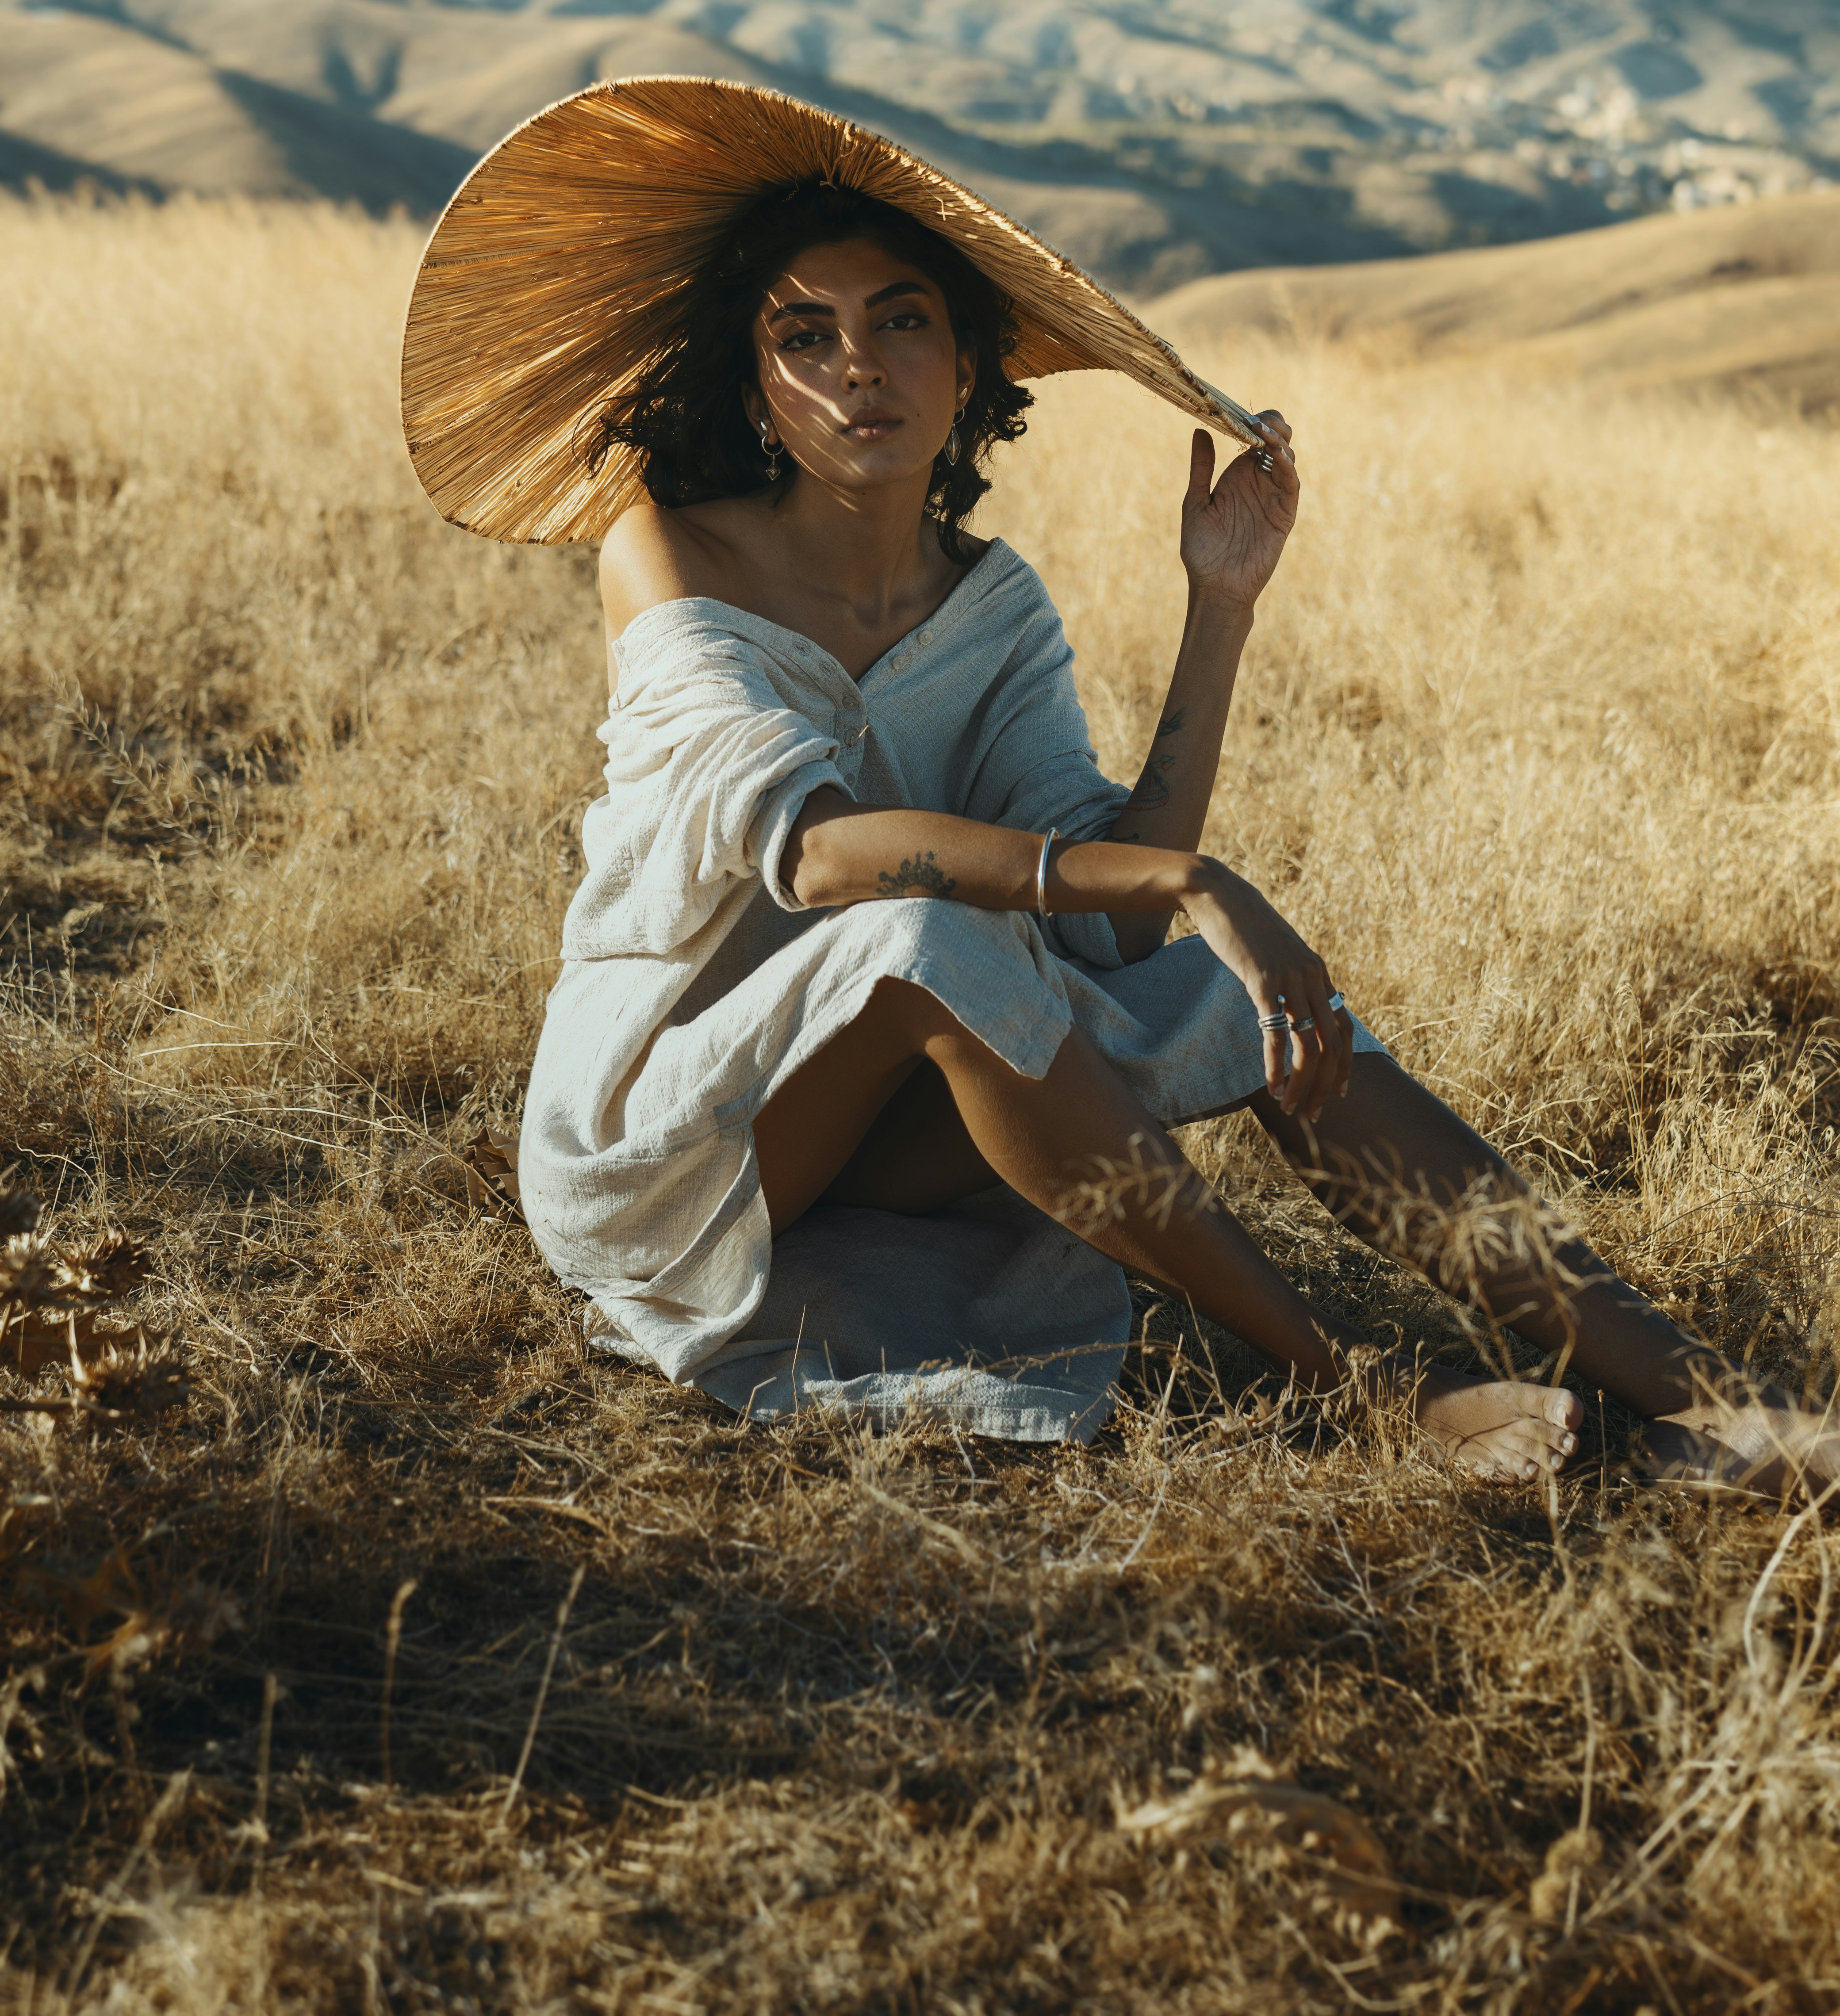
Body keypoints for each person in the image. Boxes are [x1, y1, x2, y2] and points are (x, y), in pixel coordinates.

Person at [401, 82, 1834, 1496]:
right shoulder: (665, 554)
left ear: (968, 367)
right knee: (925, 938)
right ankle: (1360, 1388)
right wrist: (1199, 879)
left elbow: (1109, 926)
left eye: (902, 319)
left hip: (889, 1114)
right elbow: (825, 856)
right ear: (757, 388)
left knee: (1218, 995)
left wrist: (1222, 609)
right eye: (804, 333)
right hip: (680, 1140)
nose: (858, 366)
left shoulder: (993, 602)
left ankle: (1704, 1396)